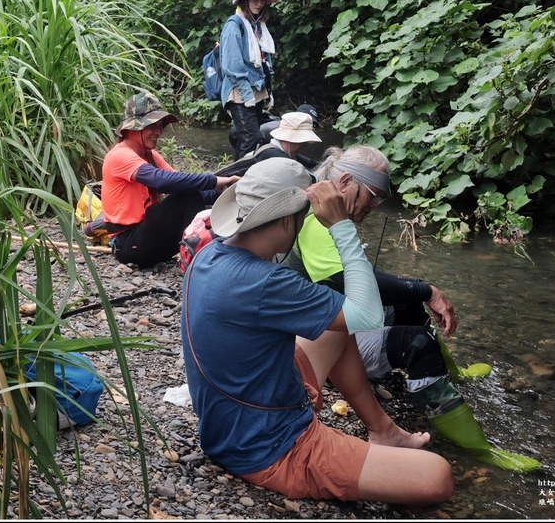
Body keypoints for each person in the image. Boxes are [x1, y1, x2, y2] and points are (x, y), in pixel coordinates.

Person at [183, 157, 453, 505]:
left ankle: (384, 431)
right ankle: (352, 444)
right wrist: (342, 226)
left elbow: (347, 317)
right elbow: (368, 314)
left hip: (229, 423)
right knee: (437, 476)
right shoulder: (265, 281)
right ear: (285, 222)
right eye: (304, 215)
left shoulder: (211, 255)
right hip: (270, 447)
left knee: (336, 327)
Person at [290, 146, 541, 471]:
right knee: (419, 345)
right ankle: (479, 450)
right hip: (321, 348)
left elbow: (361, 283)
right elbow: (356, 287)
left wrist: (417, 291)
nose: (375, 206)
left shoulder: (322, 212)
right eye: (373, 195)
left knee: (407, 303)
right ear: (346, 181)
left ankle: (451, 376)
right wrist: (427, 289)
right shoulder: (318, 224)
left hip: (329, 324)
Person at [102, 91, 239, 268]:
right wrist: (213, 180)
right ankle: (198, 261)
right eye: (153, 126)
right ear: (134, 127)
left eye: (160, 126)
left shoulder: (150, 154)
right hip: (128, 244)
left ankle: (206, 254)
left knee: (194, 195)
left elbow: (180, 183)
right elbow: (163, 181)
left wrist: (224, 190)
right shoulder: (119, 155)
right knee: (188, 198)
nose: (158, 132)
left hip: (146, 238)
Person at [219, 0, 279, 160]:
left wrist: (268, 91)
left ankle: (241, 175)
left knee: (246, 135)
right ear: (245, 0)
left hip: (257, 88)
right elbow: (231, 64)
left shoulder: (258, 25)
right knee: (251, 138)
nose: (259, 4)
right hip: (239, 90)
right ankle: (233, 181)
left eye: (262, 0)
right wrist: (247, 93)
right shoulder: (234, 25)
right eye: (255, 0)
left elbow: (264, 61)